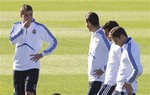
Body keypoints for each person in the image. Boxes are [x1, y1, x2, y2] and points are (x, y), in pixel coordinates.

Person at [9, 4, 57, 95]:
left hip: (32, 66)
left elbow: (54, 42)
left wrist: (42, 54)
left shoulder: (39, 27)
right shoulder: (16, 26)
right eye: (26, 15)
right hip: (18, 66)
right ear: (21, 16)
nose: (29, 17)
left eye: (31, 15)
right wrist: (23, 28)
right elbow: (12, 40)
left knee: (29, 93)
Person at [110, 26, 143, 95]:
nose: (115, 43)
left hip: (125, 91)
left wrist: (128, 82)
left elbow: (138, 69)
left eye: (115, 41)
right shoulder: (126, 45)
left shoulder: (129, 49)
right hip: (119, 88)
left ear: (122, 36)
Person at [85, 12, 111, 95]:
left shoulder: (102, 37)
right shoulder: (94, 34)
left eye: (86, 23)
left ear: (89, 23)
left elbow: (116, 54)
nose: (86, 25)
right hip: (93, 78)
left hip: (100, 79)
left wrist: (103, 69)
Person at [98, 21, 121, 95]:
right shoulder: (116, 45)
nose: (105, 36)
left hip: (111, 83)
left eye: (106, 33)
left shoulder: (118, 47)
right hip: (113, 83)